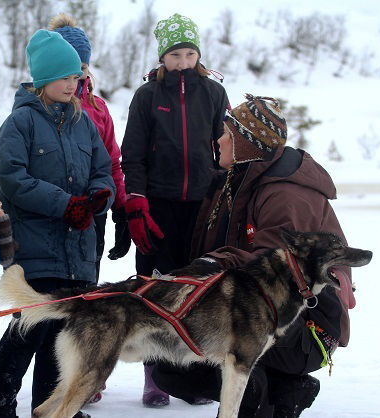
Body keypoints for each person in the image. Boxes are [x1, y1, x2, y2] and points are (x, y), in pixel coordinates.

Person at [151, 94, 354, 418]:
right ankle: (282, 390)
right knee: (170, 366)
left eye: (228, 135)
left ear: (248, 145)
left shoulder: (287, 194)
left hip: (310, 326)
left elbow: (279, 268)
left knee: (237, 362)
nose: (218, 141)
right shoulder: (234, 181)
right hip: (259, 310)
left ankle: (265, 394)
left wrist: (216, 263)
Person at [0, 29, 115, 418]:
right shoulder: (19, 125)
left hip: (78, 251)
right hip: (35, 250)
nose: (73, 85)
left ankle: (49, 407)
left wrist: (99, 197)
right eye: (65, 78)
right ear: (43, 80)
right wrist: (66, 205)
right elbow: (14, 181)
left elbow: (103, 170)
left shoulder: (84, 124)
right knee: (29, 330)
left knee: (63, 332)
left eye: (77, 79)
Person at [119, 12, 229, 407]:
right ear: (162, 57)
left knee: (199, 293)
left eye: (189, 53)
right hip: (159, 209)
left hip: (201, 209)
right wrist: (137, 201)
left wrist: (222, 196)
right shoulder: (147, 96)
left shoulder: (214, 94)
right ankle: (155, 376)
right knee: (154, 291)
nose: (182, 61)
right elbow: (131, 155)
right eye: (175, 54)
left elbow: (225, 151)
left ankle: (196, 376)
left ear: (198, 54)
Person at [50, 14, 131, 278]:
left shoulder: (99, 110)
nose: (74, 76)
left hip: (93, 213)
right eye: (66, 66)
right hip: (51, 213)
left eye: (81, 67)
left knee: (85, 291)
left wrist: (120, 209)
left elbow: (113, 163)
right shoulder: (37, 111)